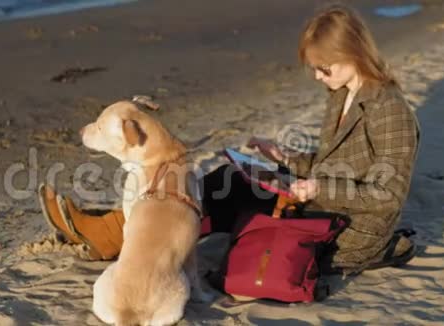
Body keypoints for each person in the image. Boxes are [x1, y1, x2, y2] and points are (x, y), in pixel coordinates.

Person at [39, 4, 420, 275]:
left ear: (352, 53)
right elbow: (336, 161)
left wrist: (317, 186)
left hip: (350, 229)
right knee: (228, 179)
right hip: (321, 202)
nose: (319, 77)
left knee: (226, 193)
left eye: (323, 67)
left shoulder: (390, 109)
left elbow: (388, 195)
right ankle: (117, 231)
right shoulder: (342, 93)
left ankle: (115, 236)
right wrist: (283, 157)